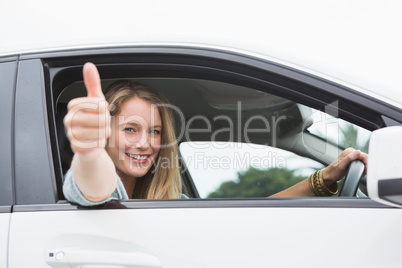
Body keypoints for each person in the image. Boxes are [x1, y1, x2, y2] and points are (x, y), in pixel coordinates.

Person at [63, 63, 368, 206]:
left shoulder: (167, 202)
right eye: (130, 129)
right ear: (105, 133)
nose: (145, 143)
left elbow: (255, 216)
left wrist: (325, 178)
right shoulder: (100, 191)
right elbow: (93, 188)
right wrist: (89, 152)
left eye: (155, 132)